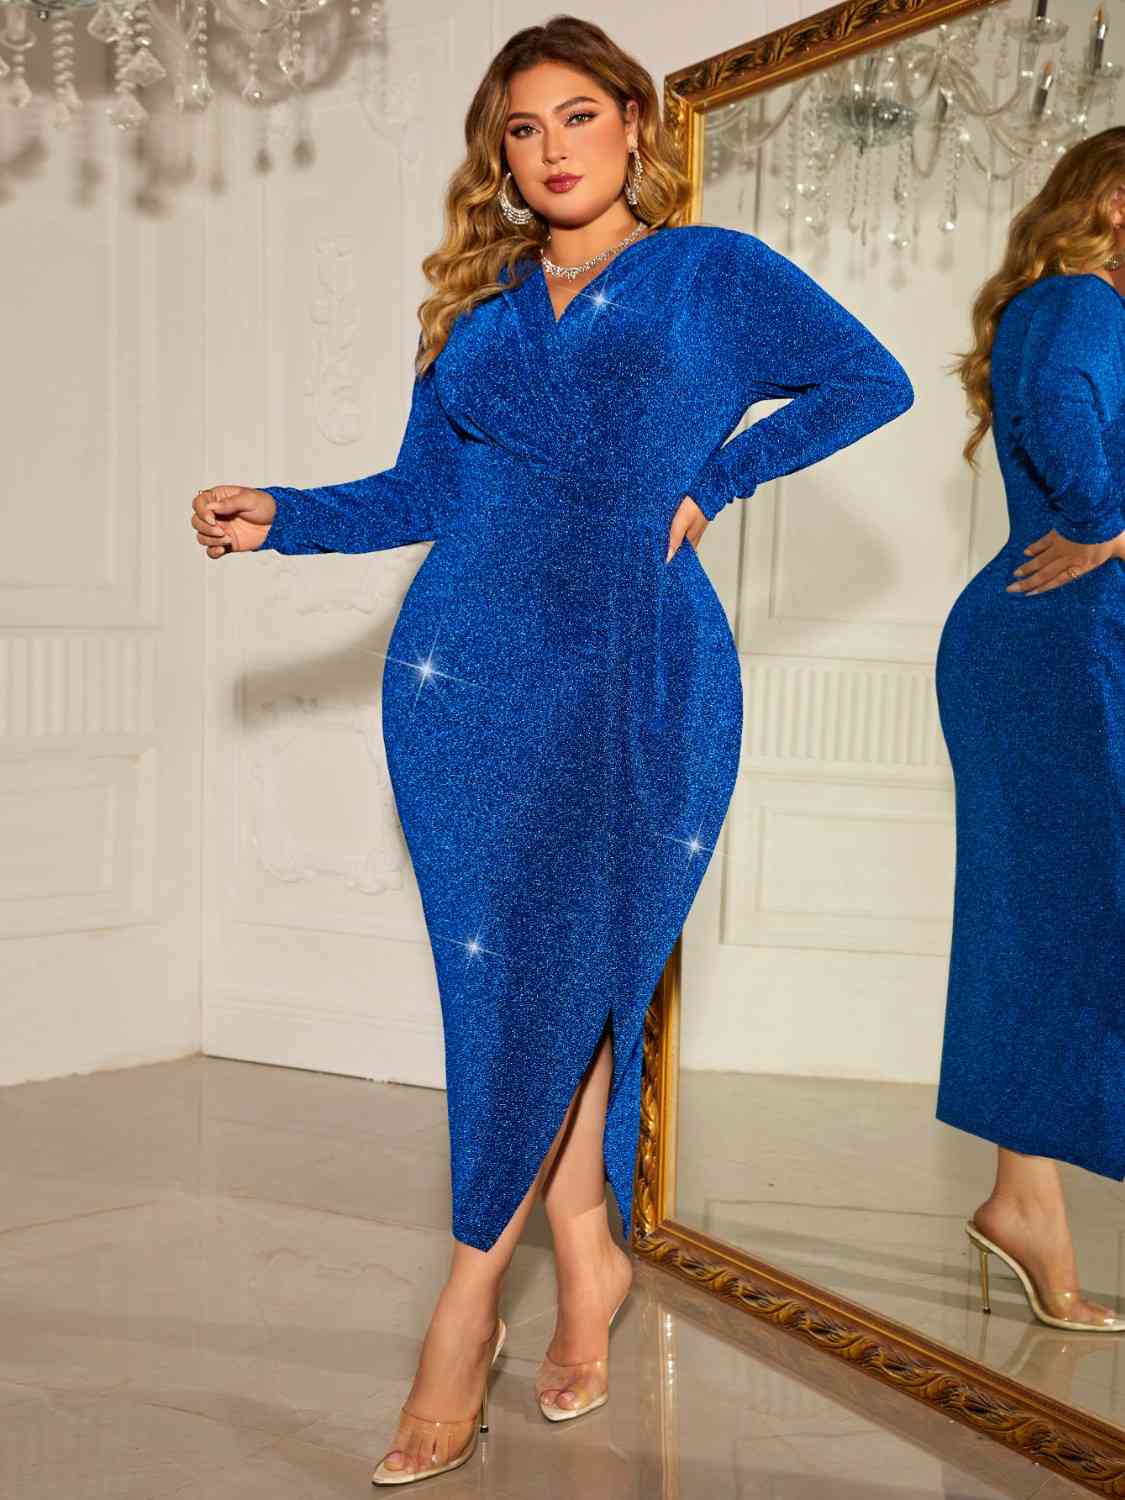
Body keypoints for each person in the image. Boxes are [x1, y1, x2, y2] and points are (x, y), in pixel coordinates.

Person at [189, 14, 913, 1484]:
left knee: (574, 968)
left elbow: (869, 381)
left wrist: (718, 481)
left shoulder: (711, 274)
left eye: (578, 115)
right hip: (464, 681)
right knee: (511, 982)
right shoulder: (481, 311)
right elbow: (421, 495)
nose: (552, 148)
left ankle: (466, 1310)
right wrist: (286, 515)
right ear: (501, 157)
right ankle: (583, 1250)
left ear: (635, 124)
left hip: (638, 668)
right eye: (523, 129)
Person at [936, 126, 1125, 1332]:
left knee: (1057, 919)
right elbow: (1059, 416)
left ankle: (1023, 1199)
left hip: (1073, 646)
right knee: (1063, 917)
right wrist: (1106, 524)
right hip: (1057, 650)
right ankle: (1026, 1202)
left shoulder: (1088, 308)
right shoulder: (1076, 304)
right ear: (1117, 204)